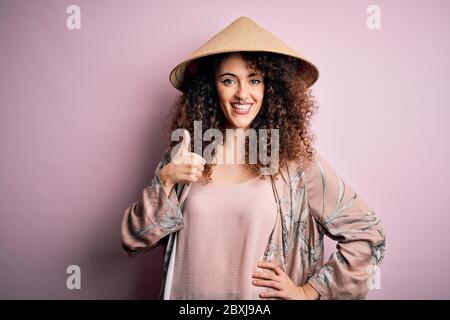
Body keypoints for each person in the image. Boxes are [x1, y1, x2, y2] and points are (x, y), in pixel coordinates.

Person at [121, 16, 386, 300]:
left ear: (270, 88)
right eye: (228, 80)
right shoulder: (188, 151)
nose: (242, 94)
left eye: (254, 79)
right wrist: (165, 180)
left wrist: (309, 293)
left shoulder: (293, 161)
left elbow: (367, 235)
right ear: (211, 88)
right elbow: (134, 240)